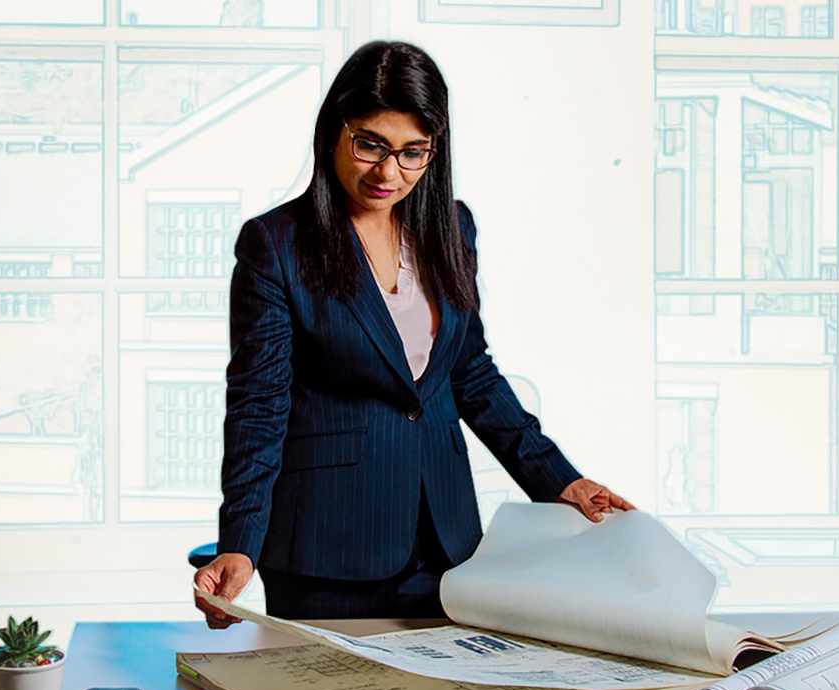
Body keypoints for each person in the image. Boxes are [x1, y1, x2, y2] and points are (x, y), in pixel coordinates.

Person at [193, 40, 633, 626]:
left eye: (412, 153)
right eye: (369, 144)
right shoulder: (276, 245)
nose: (387, 171)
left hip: (446, 541)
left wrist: (561, 481)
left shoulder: (453, 227)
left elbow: (470, 372)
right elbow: (258, 404)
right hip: (330, 546)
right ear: (334, 132)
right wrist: (240, 542)